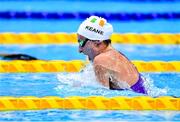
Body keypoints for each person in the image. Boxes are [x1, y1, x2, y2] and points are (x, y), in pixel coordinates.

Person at [77, 16, 147, 94]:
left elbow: (102, 96)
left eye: (81, 42)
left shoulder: (100, 60)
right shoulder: (115, 55)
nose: (79, 50)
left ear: (97, 41)